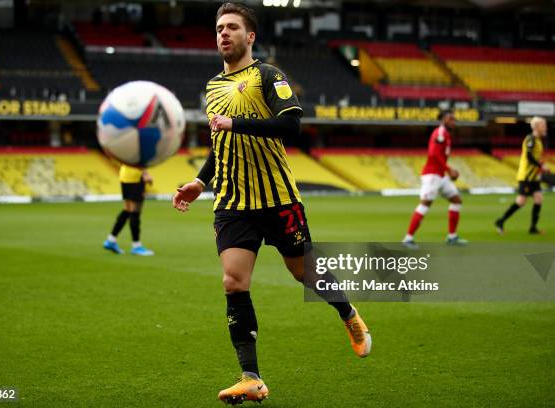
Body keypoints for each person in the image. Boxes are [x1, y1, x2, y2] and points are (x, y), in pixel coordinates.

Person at [172, 3, 370, 404]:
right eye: (219, 28)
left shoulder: (268, 76)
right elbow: (221, 145)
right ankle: (251, 377)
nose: (223, 34)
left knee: (304, 273)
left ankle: (348, 314)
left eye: (231, 28)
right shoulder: (212, 87)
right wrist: (199, 180)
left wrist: (237, 122)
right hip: (232, 202)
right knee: (233, 281)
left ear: (250, 37)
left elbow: (291, 125)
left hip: (277, 198)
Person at [402, 110, 467, 249]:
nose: (453, 122)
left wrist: (446, 170)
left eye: (454, 119)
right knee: (425, 203)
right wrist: (449, 169)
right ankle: (408, 238)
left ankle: (452, 236)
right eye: (451, 119)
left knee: (456, 200)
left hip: (441, 175)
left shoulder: (446, 135)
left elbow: (440, 156)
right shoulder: (440, 133)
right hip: (432, 175)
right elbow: (433, 154)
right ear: (443, 120)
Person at [495, 116, 549, 234]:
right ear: (536, 127)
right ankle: (500, 221)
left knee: (538, 198)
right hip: (526, 177)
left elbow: (535, 158)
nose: (545, 127)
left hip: (534, 177)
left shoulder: (539, 141)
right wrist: (541, 166)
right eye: (543, 125)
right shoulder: (531, 139)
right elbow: (529, 157)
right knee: (521, 201)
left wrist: (541, 166)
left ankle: (533, 228)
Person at [103, 164, 154, 256]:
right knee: (135, 212)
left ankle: (111, 240)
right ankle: (136, 246)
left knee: (127, 210)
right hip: (135, 176)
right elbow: (138, 159)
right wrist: (146, 174)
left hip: (124, 175)